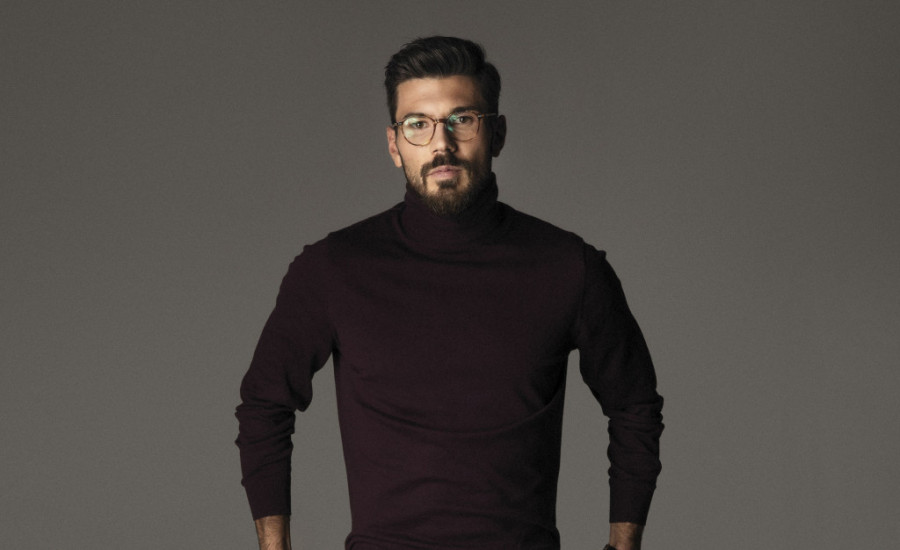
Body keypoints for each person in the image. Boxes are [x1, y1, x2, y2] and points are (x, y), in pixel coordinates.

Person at [236, 36, 663, 550]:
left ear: (497, 134)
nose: (442, 144)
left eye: (462, 119)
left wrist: (623, 544)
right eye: (418, 124)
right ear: (394, 145)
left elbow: (635, 406)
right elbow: (264, 406)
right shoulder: (333, 269)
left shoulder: (569, 267)